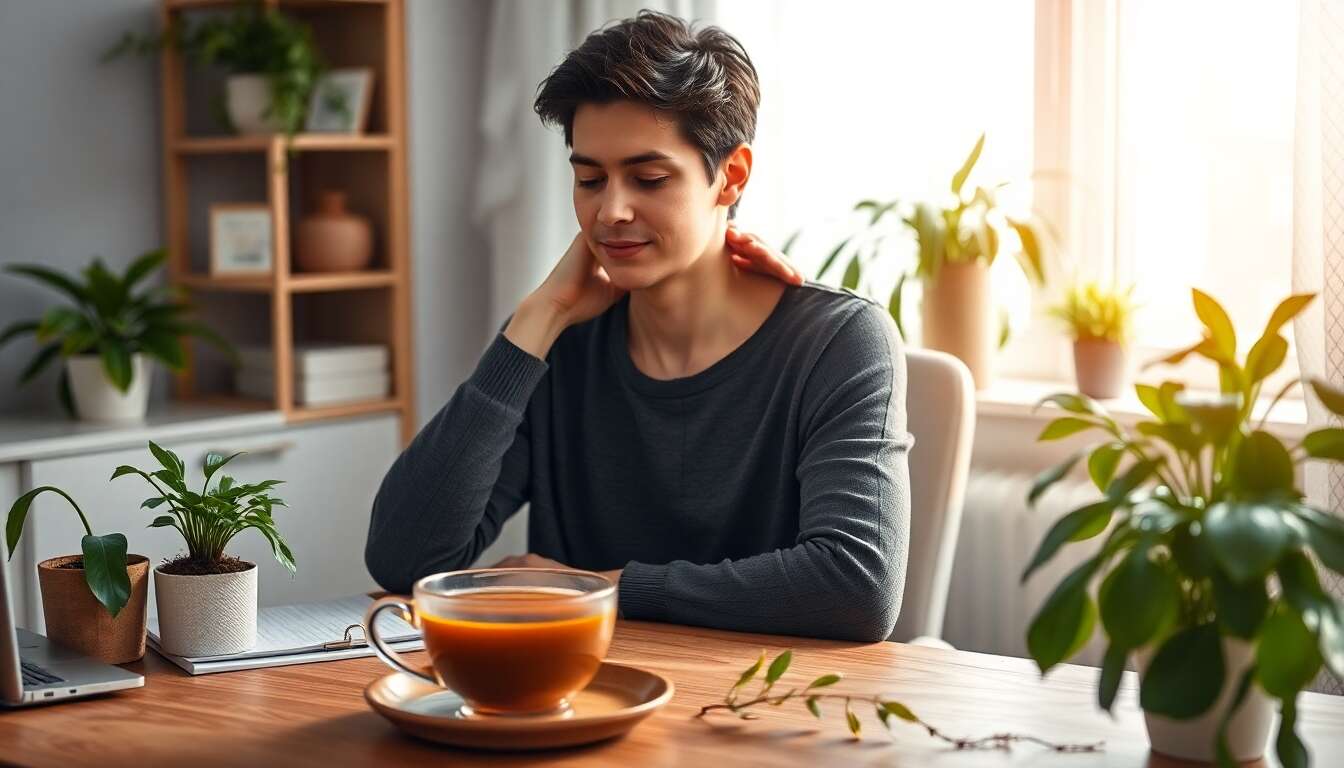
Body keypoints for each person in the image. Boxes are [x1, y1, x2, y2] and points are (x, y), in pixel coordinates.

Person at [365, 11, 912, 642]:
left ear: (729, 176)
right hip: (579, 699)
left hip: (761, 709)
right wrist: (535, 321)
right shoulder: (560, 342)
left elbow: (856, 588)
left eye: (648, 179)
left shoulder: (840, 342)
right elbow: (405, 561)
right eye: (589, 179)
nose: (611, 211)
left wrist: (597, 589)